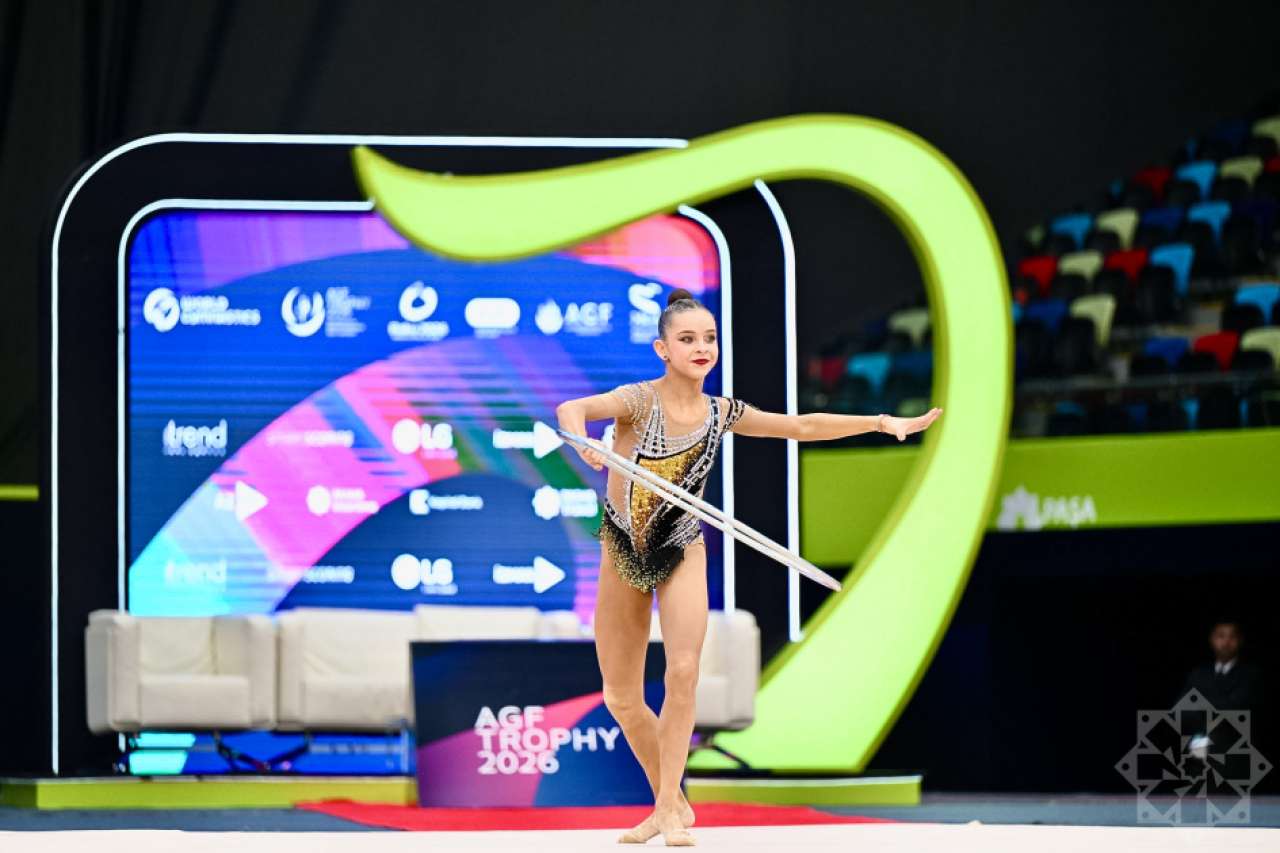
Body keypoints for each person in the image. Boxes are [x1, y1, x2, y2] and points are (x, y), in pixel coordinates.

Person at [554, 288, 942, 846]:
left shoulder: (720, 412)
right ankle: (672, 802)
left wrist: (881, 423)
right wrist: (584, 441)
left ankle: (666, 810)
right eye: (688, 339)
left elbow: (801, 426)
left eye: (709, 338)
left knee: (683, 671)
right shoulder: (638, 401)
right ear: (663, 349)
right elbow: (572, 410)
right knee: (621, 698)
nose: (702, 347)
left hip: (681, 547)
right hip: (623, 549)